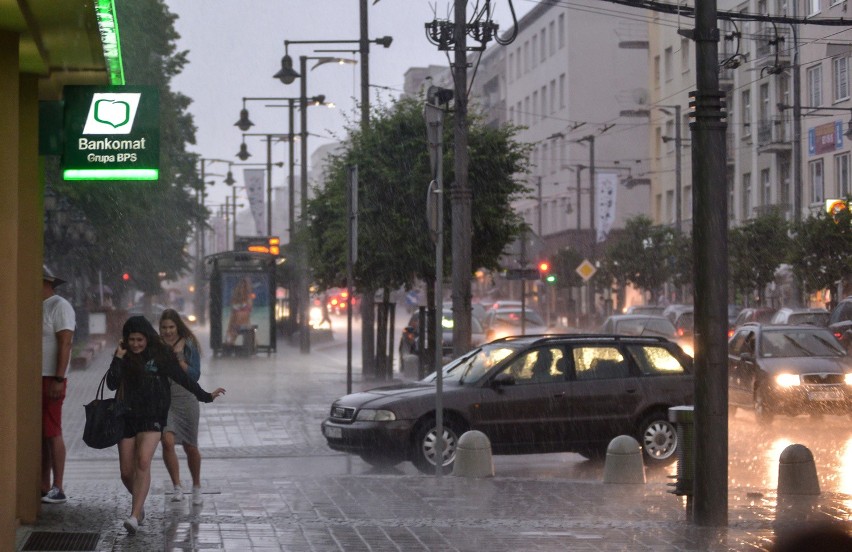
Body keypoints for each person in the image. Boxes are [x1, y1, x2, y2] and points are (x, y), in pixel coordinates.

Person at [108, 316, 225, 534]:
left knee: (143, 461)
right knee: (126, 472)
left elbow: (184, 378)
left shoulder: (160, 355)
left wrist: (206, 396)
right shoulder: (123, 355)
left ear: (147, 338)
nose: (135, 344)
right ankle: (139, 505)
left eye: (139, 340)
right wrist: (118, 358)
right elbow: (112, 383)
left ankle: (134, 515)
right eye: (131, 340)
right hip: (126, 416)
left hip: (152, 416)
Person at [159, 309, 205, 505]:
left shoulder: (189, 345)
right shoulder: (156, 346)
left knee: (190, 446)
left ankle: (196, 486)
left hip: (186, 398)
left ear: (177, 327)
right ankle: (177, 486)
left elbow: (195, 375)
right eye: (164, 327)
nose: (168, 331)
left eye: (171, 327)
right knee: (167, 441)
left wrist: (180, 362)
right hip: (164, 400)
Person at [41, 266, 75, 504]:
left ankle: (58, 485)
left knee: (52, 431)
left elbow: (66, 343)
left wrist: (59, 377)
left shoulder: (58, 305)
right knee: (41, 433)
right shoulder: (35, 306)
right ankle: (43, 484)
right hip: (35, 377)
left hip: (50, 377)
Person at [225, 276, 254, 345]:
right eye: (242, 287)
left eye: (245, 287)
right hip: (236, 325)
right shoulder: (236, 299)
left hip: (245, 325)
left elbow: (248, 312)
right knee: (229, 342)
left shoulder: (248, 299)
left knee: (252, 343)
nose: (243, 289)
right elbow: (232, 317)